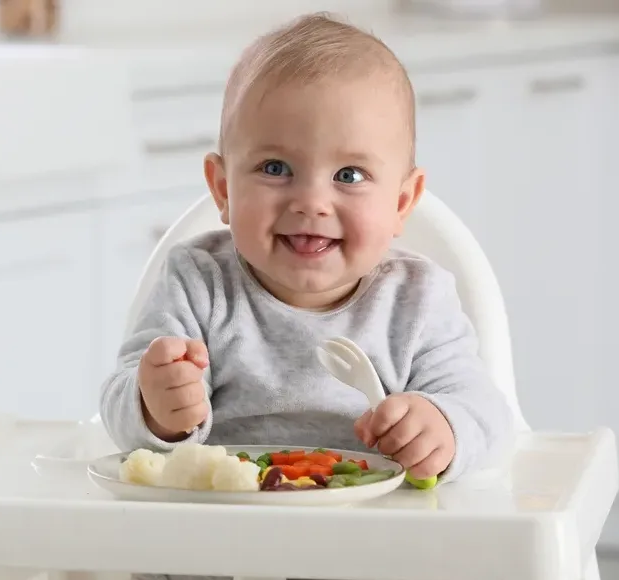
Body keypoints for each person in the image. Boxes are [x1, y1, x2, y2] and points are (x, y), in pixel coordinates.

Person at [100, 12, 514, 495]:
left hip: (370, 544)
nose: (312, 203)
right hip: (223, 539)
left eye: (350, 175)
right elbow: (117, 406)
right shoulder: (198, 283)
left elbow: (487, 413)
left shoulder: (418, 301)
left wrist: (443, 425)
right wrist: (155, 406)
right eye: (275, 167)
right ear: (223, 189)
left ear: (401, 202)